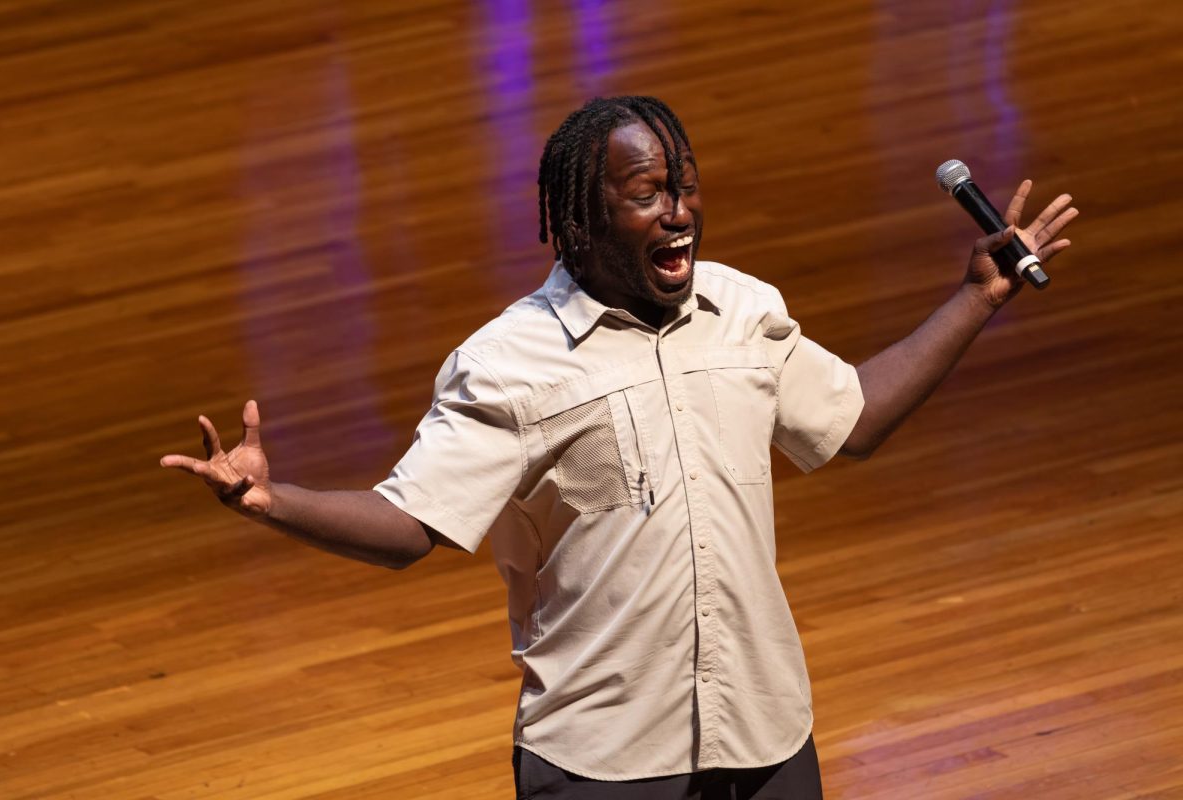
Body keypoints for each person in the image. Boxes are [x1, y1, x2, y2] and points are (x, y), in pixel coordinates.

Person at [161, 96, 1077, 799]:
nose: (678, 214)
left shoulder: (740, 311)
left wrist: (977, 298)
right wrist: (270, 501)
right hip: (604, 760)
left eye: (685, 188)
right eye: (646, 196)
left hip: (764, 735)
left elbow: (857, 420)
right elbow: (410, 526)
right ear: (578, 223)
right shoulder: (509, 364)